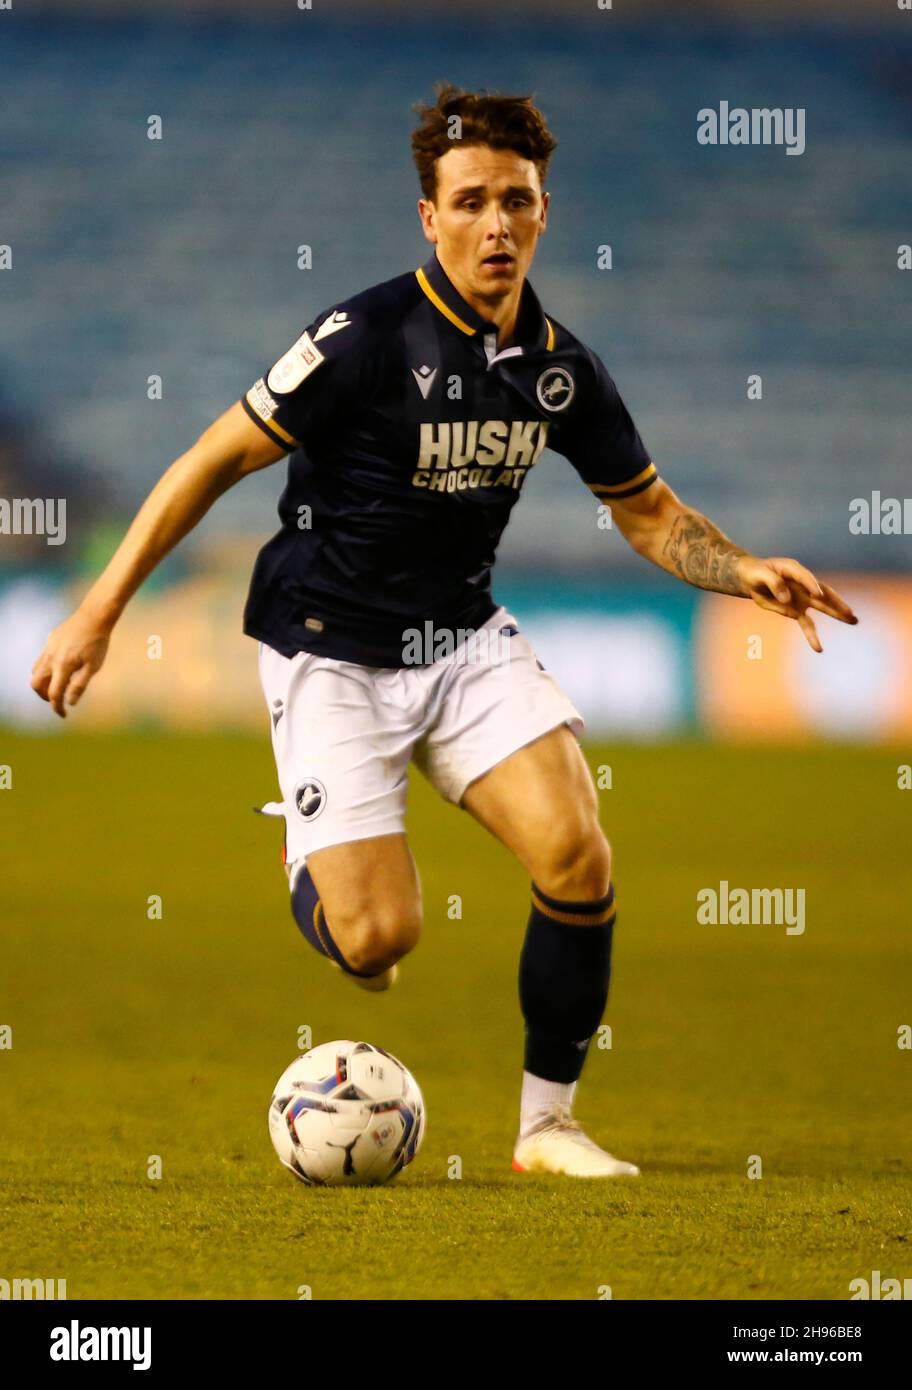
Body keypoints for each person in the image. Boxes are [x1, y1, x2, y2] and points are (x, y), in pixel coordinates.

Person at [31, 86, 857, 1177]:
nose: (496, 225)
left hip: (460, 635)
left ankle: (547, 1126)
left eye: (516, 201)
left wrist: (741, 567)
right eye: (470, 202)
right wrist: (98, 611)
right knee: (377, 943)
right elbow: (213, 458)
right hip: (327, 642)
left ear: (546, 210)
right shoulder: (360, 338)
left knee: (577, 850)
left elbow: (649, 513)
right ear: (430, 217)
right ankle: (309, 852)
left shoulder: (562, 367)